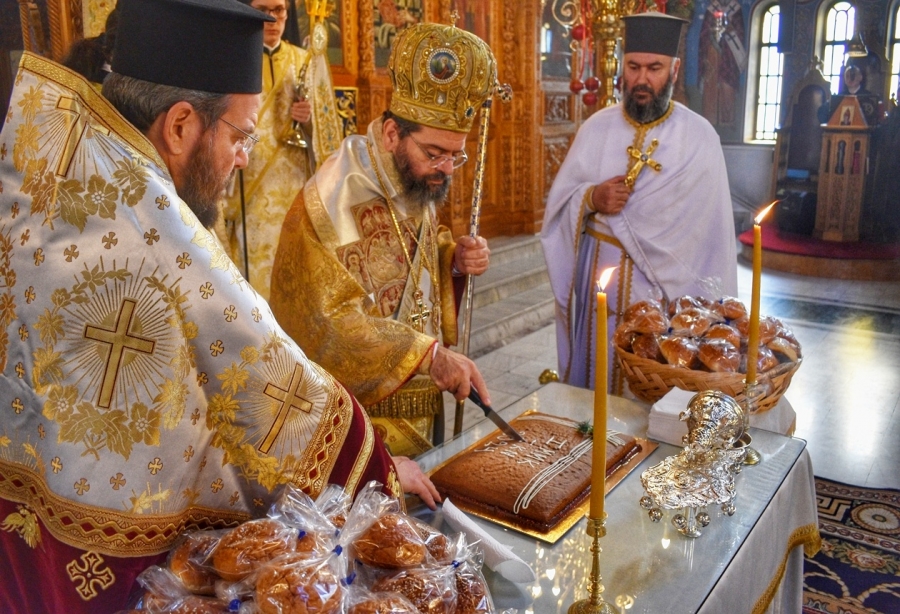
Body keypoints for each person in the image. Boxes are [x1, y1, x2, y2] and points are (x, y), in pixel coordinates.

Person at [0, 0, 436, 610]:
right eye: (241, 134)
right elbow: (264, 375)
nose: (245, 156)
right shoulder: (144, 216)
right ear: (180, 125)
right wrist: (374, 472)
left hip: (28, 523)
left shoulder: (73, 155)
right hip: (115, 569)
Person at [269, 22, 495, 457]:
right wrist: (428, 356)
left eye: (456, 156)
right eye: (435, 154)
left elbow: (414, 262)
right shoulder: (331, 198)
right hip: (357, 421)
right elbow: (325, 324)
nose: (447, 169)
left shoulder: (412, 177)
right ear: (392, 134)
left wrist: (452, 260)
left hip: (421, 400)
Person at [542, 12, 738, 394]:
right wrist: (592, 197)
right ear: (622, 67)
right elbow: (559, 207)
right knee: (597, 394)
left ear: (675, 69)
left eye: (654, 68)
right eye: (633, 67)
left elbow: (711, 236)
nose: (642, 79)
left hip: (664, 301)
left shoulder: (700, 138)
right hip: (600, 289)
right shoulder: (595, 128)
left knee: (651, 397)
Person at [216, 0, 344, 300]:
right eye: (264, 10)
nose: (273, 19)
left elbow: (329, 136)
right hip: (249, 189)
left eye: (279, 11)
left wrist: (310, 119)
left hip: (296, 187)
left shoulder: (306, 61)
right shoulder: (233, 60)